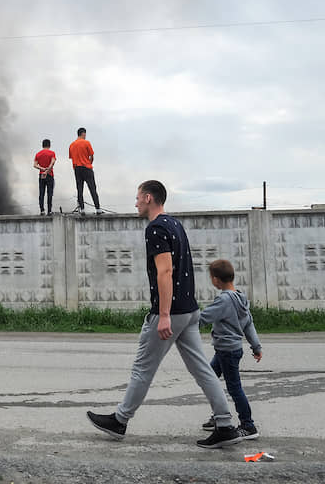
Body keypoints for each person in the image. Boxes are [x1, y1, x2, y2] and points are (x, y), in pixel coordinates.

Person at [86, 180, 242, 448]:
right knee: (203, 370)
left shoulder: (155, 228)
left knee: (142, 368)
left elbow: (166, 271)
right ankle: (226, 425)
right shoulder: (175, 225)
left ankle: (120, 421)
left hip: (171, 312)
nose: (135, 203)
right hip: (190, 310)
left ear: (148, 198)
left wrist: (165, 314)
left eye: (137, 198)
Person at [199, 259, 262, 440]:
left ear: (216, 279)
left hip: (227, 351)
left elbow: (204, 317)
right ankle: (220, 416)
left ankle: (248, 426)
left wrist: (185, 321)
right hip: (227, 350)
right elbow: (249, 325)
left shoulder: (224, 300)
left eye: (211, 277)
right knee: (209, 379)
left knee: (234, 388)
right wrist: (256, 346)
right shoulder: (241, 298)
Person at [68, 127, 102, 214]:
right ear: (83, 133)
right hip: (86, 167)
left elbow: (72, 158)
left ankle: (82, 209)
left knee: (80, 189)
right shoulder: (86, 143)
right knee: (92, 188)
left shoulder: (71, 145)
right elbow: (91, 156)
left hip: (77, 169)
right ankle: (98, 208)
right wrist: (89, 163)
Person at [33, 139, 56, 215]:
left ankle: (42, 210)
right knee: (50, 193)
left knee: (41, 193)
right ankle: (49, 211)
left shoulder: (38, 154)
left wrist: (42, 169)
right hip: (49, 175)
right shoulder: (52, 153)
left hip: (41, 175)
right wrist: (47, 170)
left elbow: (35, 165)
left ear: (42, 145)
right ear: (49, 145)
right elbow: (52, 162)